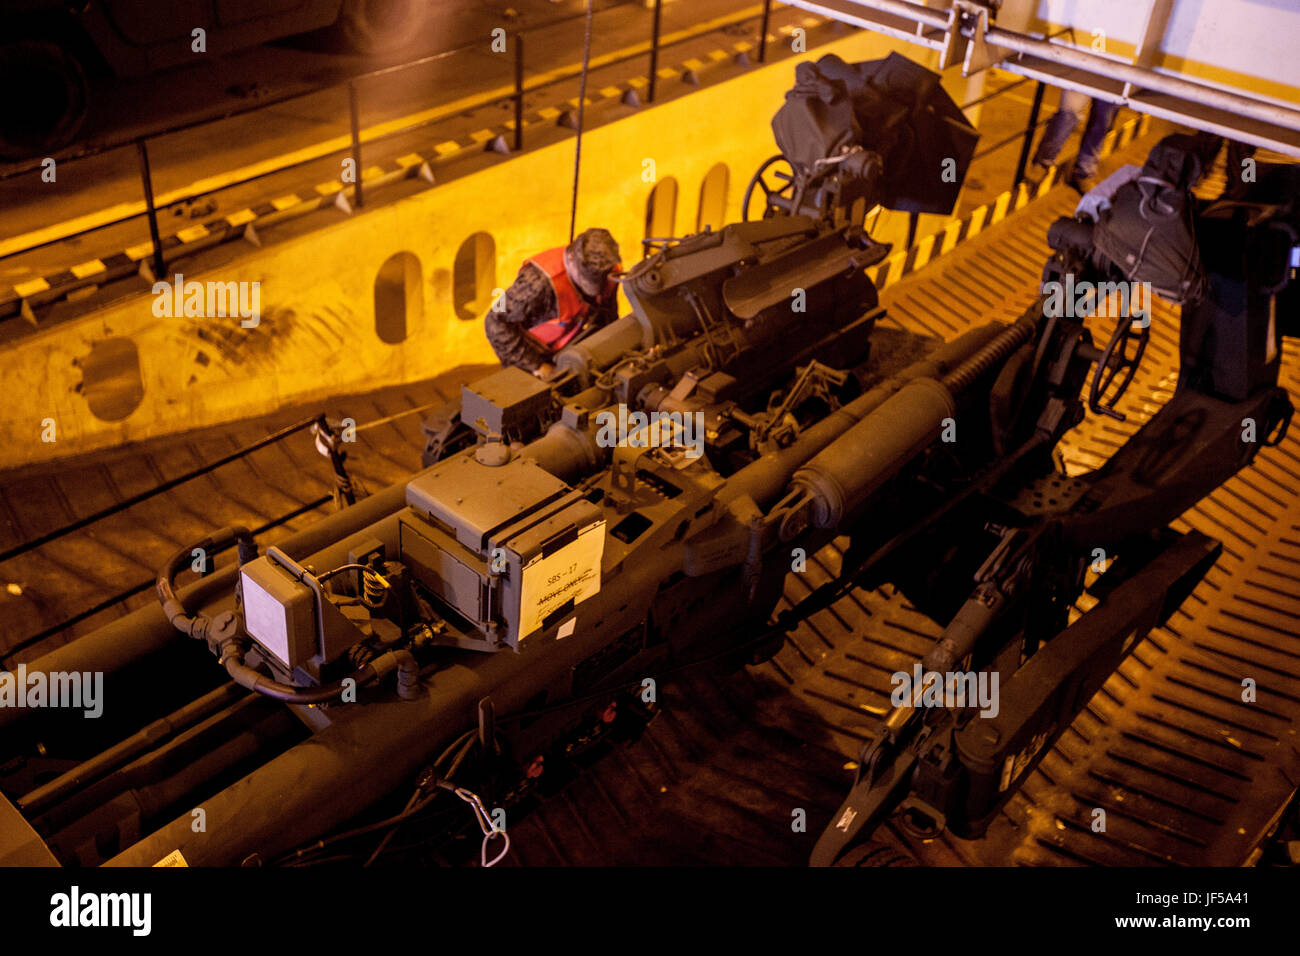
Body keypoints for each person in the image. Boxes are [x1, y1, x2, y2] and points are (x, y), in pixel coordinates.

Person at [484, 227, 621, 378]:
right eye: (587, 280)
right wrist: (537, 366)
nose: (596, 288)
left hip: (575, 349)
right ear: (571, 258)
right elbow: (495, 321)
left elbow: (608, 317)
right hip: (531, 355)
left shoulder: (611, 271)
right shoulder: (537, 283)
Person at [1026, 88, 1121, 194]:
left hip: (1115, 79)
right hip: (1085, 74)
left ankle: (1084, 171)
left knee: (1102, 121)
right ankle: (1043, 161)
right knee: (1068, 115)